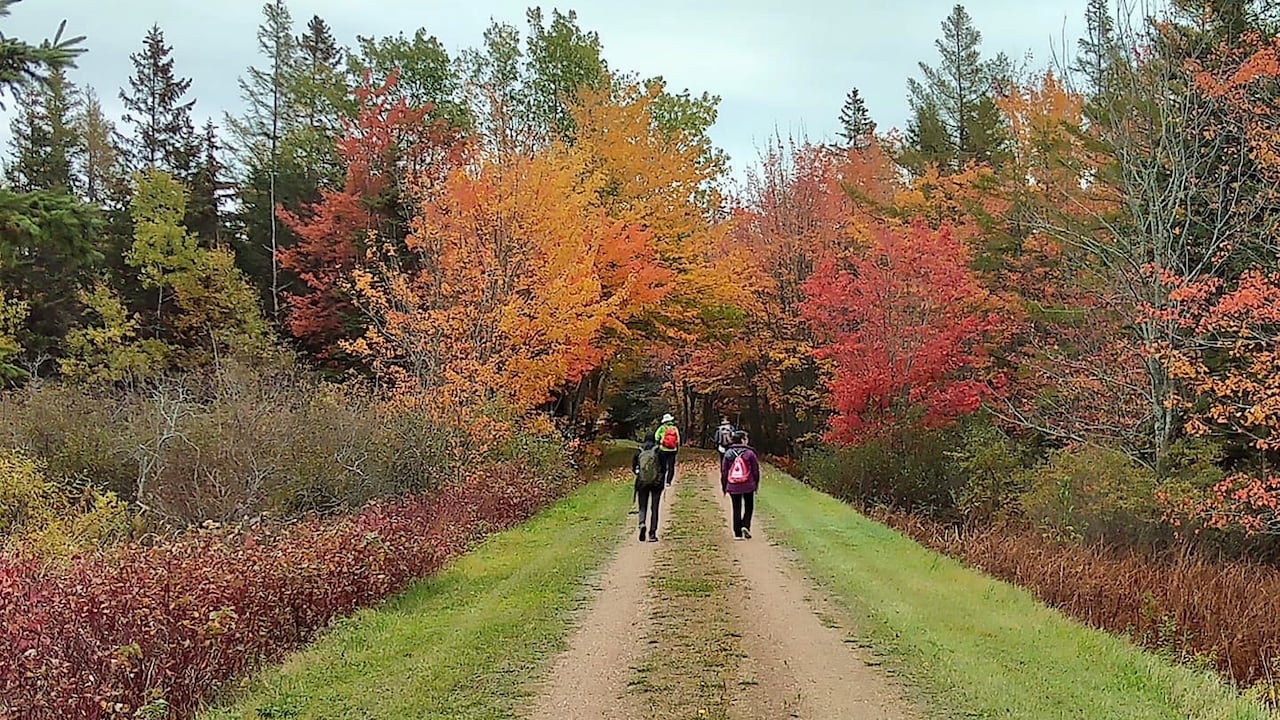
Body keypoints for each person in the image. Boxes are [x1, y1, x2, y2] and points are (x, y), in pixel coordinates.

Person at [720, 430, 761, 539]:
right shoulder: (750, 453)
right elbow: (755, 470)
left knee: (736, 507)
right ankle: (746, 525)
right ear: (743, 440)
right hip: (748, 485)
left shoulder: (728, 453)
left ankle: (737, 533)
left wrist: (725, 486)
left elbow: (724, 471)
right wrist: (756, 483)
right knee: (749, 506)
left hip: (733, 485)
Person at [632, 439, 663, 542]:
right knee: (654, 508)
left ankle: (642, 523)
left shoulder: (639, 451)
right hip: (656, 484)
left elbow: (634, 468)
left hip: (642, 483)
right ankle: (652, 533)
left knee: (642, 506)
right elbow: (663, 468)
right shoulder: (658, 451)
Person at [653, 413, 680, 487]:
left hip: (663, 450)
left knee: (662, 466)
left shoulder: (662, 428)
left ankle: (661, 480)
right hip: (673, 450)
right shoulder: (674, 428)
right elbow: (677, 440)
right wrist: (677, 449)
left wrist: (659, 443)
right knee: (671, 466)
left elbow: (656, 437)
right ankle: (668, 481)